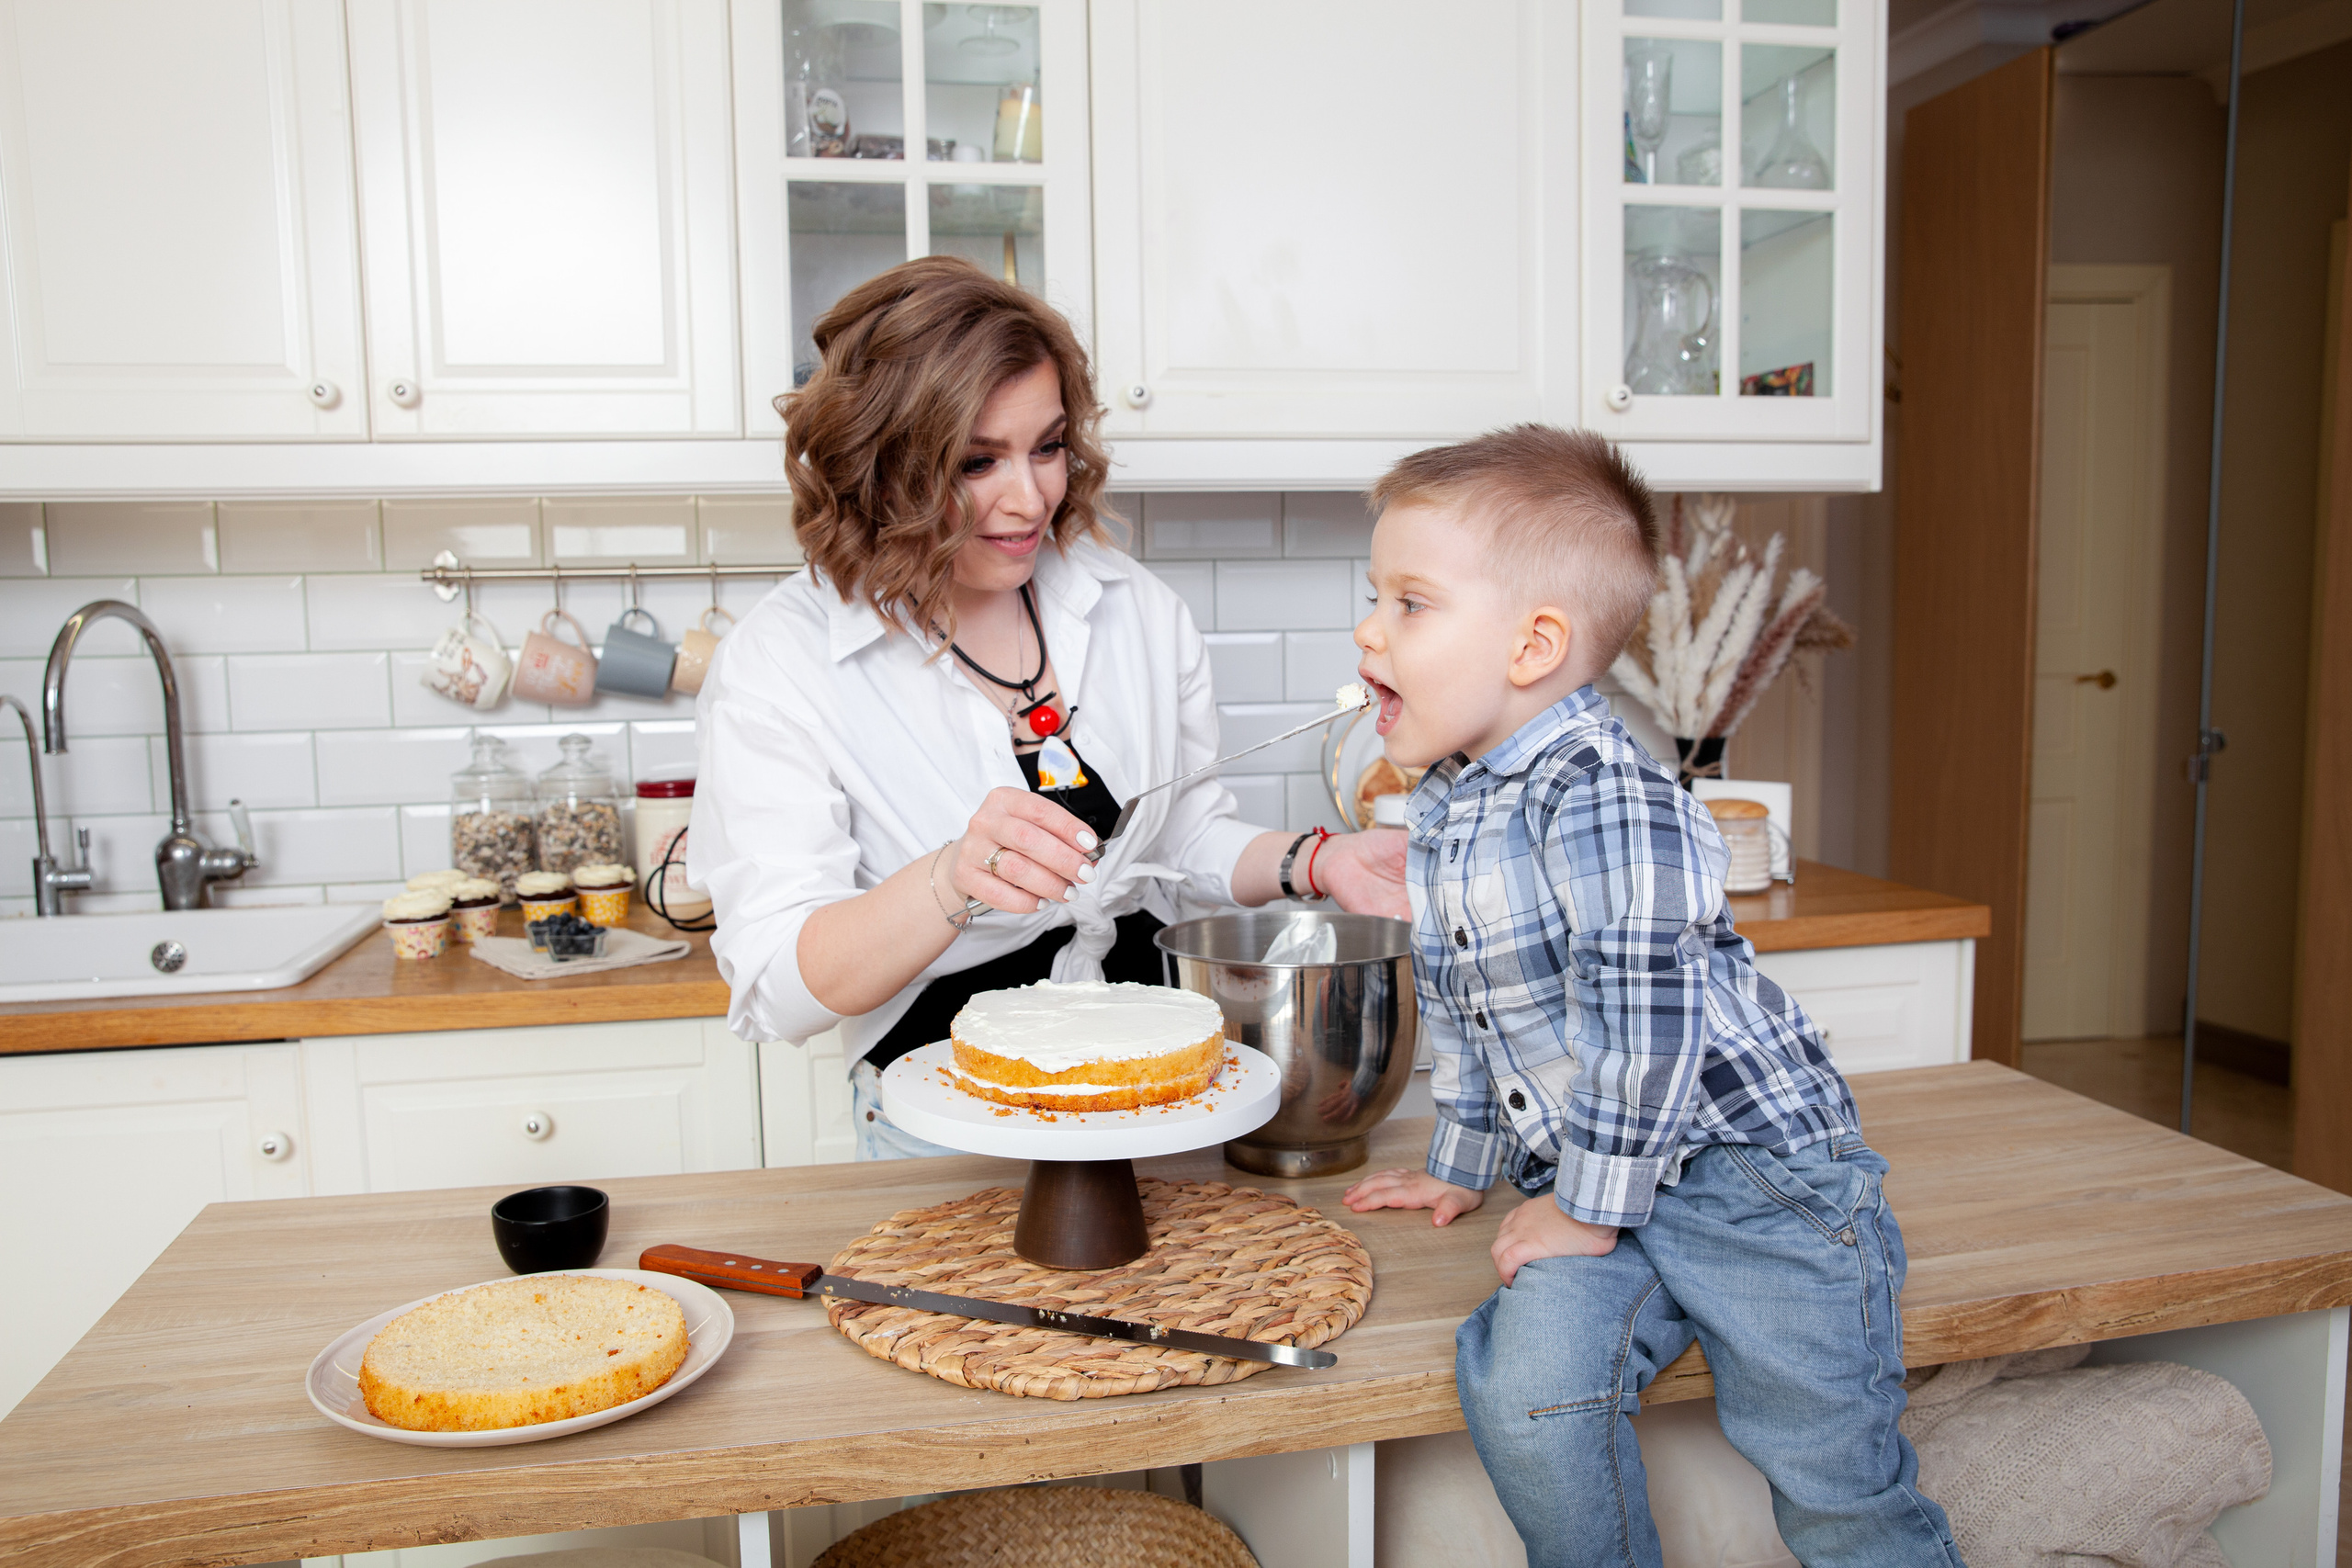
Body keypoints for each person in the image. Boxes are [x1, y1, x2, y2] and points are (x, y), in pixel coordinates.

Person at [1339, 426, 1959, 1567]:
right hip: (1600, 1174)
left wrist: (1582, 1210)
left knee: (1826, 1467)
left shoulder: (1607, 796)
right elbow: (1479, 1013)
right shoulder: (1449, 804)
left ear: (1534, 645)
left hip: (1746, 1179)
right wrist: (1460, 1162)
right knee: (1525, 1392)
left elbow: (1646, 1034)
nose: (1369, 632)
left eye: (1409, 603)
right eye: (1372, 597)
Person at [691, 256, 1406, 1157]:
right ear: (879, 464)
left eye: (1048, 446)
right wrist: (949, 879)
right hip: (947, 1115)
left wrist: (1318, 860)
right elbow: (776, 989)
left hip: (1161, 1091)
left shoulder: (1131, 605)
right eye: (976, 460)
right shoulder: (782, 661)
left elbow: (1178, 842)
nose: (1029, 499)